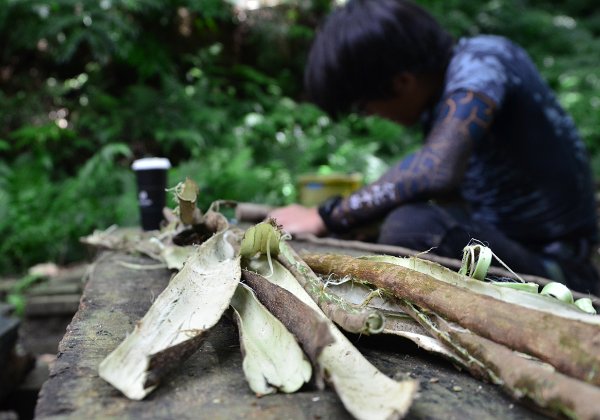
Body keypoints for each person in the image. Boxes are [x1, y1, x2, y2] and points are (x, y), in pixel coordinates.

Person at [269, 0, 599, 294]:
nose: (371, 115)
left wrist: (328, 215)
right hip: (515, 246)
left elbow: (435, 169)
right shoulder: (440, 100)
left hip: (561, 271)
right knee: (401, 222)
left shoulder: (481, 63)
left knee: (414, 226)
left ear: (402, 82)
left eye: (364, 105)